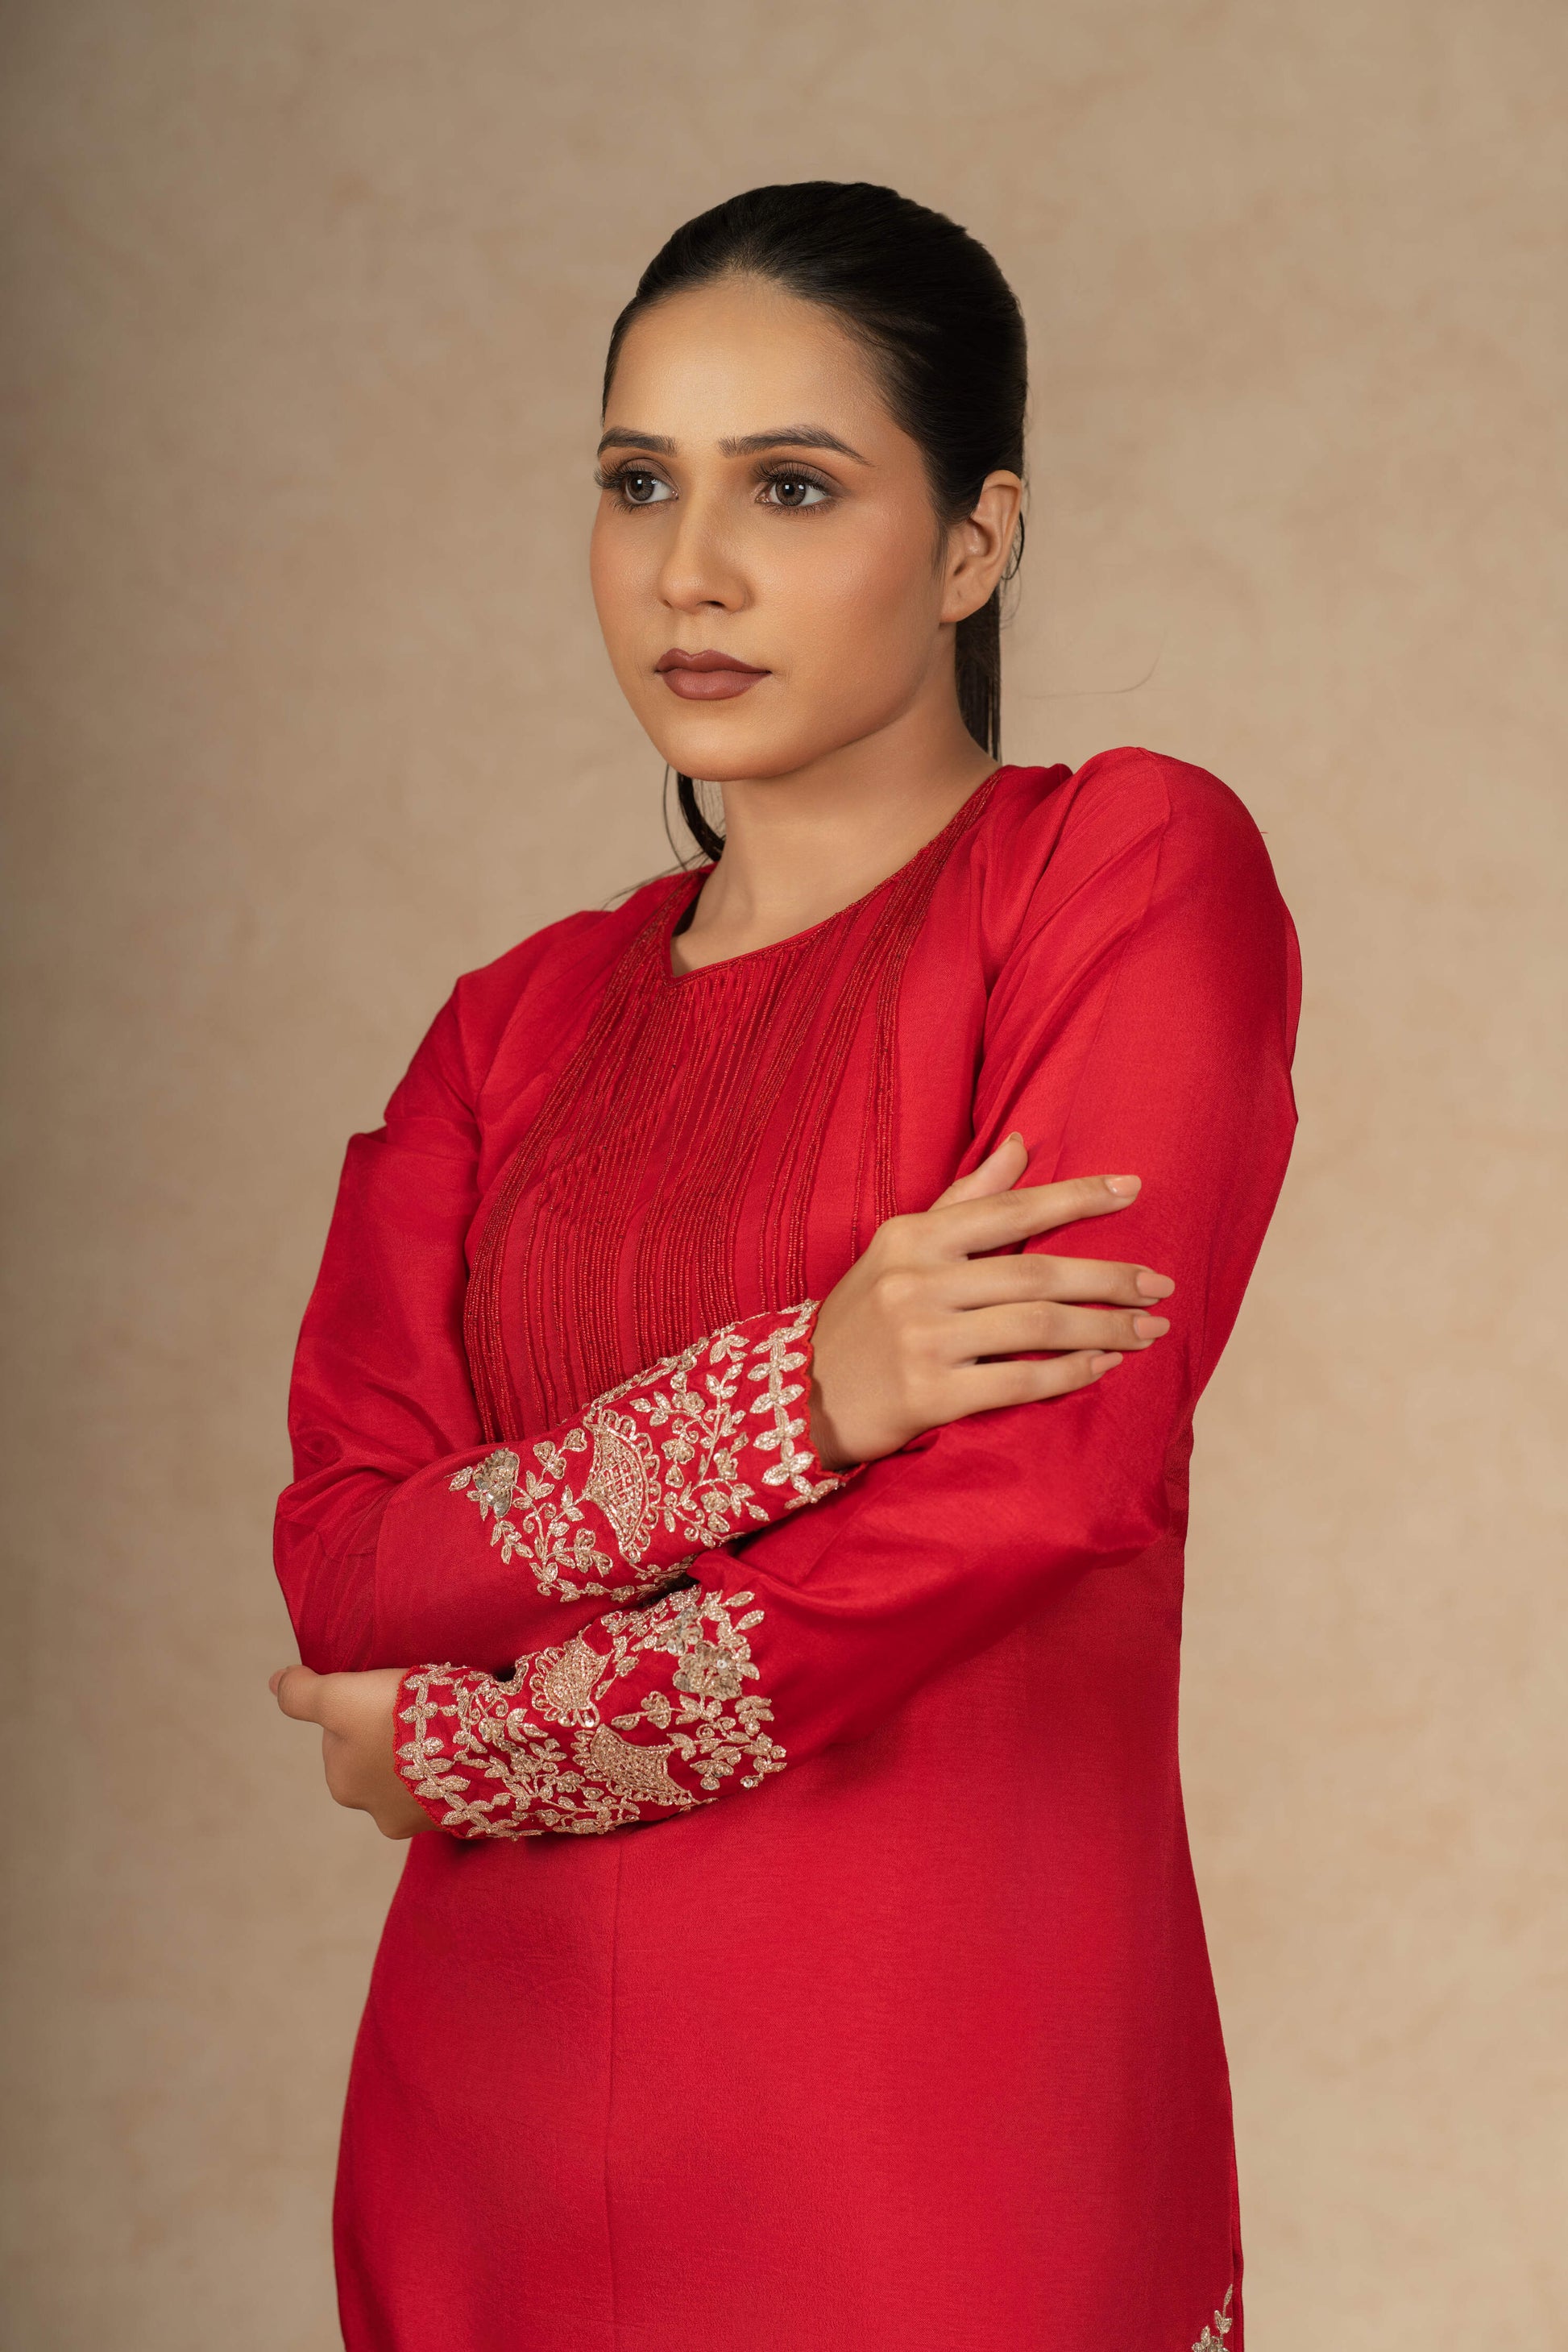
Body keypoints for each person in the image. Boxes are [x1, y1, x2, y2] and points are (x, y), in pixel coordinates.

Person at [271, 180, 1298, 2352]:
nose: (687, 572)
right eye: (638, 483)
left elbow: (1044, 1487)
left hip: (933, 2123)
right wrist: (799, 1394)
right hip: (492, 2132)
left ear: (969, 547)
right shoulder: (511, 1024)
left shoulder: (1112, 874)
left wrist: (470, 1753)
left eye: (791, 488)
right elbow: (352, 1573)